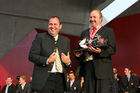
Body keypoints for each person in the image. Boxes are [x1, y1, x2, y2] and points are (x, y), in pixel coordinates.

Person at [75, 9, 116, 93]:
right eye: (90, 17)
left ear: (100, 19)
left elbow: (113, 49)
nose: (92, 19)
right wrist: (78, 55)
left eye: (94, 17)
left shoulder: (108, 31)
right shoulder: (84, 33)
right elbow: (80, 49)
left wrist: (100, 52)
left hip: (102, 70)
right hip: (87, 69)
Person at [28, 16, 71, 93]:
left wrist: (68, 62)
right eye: (50, 24)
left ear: (60, 26)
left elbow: (67, 62)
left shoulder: (66, 40)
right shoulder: (40, 37)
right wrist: (47, 60)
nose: (52, 27)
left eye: (55, 24)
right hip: (45, 80)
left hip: (60, 80)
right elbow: (31, 56)